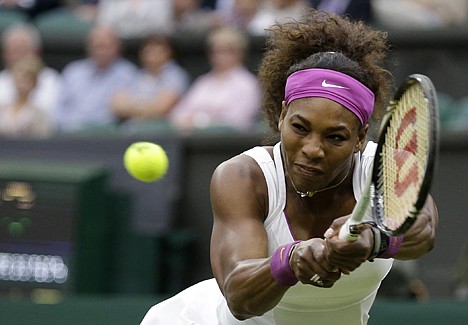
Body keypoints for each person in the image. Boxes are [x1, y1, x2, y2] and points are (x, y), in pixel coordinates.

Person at [140, 9, 438, 325]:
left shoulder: (385, 170)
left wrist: (376, 238)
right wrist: (291, 261)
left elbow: (424, 231)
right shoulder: (244, 176)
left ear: (361, 136)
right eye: (300, 127)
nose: (313, 149)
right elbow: (240, 300)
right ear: (282, 116)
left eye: (335, 137)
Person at [169, 26, 261, 132]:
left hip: (229, 145)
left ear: (239, 53)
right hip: (195, 144)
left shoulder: (247, 83)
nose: (218, 56)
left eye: (225, 51)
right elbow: (178, 114)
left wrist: (199, 122)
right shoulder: (203, 81)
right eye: (214, 51)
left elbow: (239, 121)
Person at [54, 24, 138, 132]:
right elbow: (59, 108)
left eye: (105, 46)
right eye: (96, 46)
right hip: (72, 134)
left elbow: (128, 114)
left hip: (108, 136)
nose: (100, 51)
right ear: (88, 48)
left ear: (117, 48)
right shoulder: (73, 71)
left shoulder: (128, 74)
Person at [110, 34, 190, 123]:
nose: (152, 57)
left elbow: (161, 108)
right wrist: (148, 107)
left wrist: (132, 107)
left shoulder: (175, 75)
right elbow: (117, 105)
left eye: (158, 52)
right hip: (133, 131)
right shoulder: (137, 75)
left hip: (162, 132)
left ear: (168, 53)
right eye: (149, 52)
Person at [0, 23, 61, 121]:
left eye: (22, 50)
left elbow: (48, 113)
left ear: (35, 52)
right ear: (5, 54)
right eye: (13, 51)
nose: (18, 56)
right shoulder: (2, 79)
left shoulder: (49, 79)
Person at [0, 54, 54, 138]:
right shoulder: (2, 108)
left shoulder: (39, 114)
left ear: (34, 83)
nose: (20, 84)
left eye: (25, 80)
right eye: (17, 79)